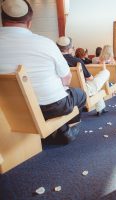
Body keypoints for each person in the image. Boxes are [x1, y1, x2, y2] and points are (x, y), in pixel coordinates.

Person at [0, 0, 86, 144]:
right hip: (49, 108)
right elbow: (66, 78)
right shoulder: (45, 43)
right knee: (80, 95)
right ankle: (65, 130)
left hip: (7, 110)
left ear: (2, 20)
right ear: (29, 23)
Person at [57, 36, 110, 116]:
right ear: (70, 48)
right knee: (105, 72)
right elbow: (90, 78)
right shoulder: (76, 61)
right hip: (82, 91)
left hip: (64, 90)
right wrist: (93, 77)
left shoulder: (55, 61)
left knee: (94, 87)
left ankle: (101, 108)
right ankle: (100, 108)